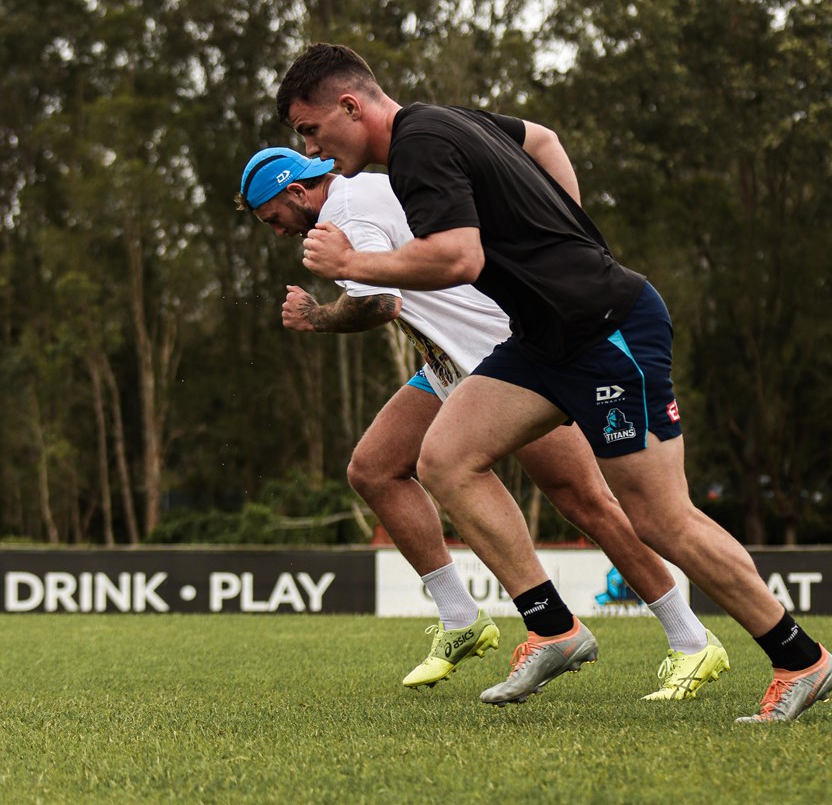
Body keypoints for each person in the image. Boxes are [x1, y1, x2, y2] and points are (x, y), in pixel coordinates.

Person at [273, 44, 832, 722]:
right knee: (445, 460)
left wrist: (353, 260)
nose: (313, 148)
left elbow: (459, 256)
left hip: (607, 331)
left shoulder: (418, 145)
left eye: (310, 130)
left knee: (659, 518)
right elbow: (543, 138)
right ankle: (554, 627)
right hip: (541, 340)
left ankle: (801, 658)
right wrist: (568, 232)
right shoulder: (447, 120)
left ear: (349, 106)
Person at [236, 146, 729, 704]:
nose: (277, 233)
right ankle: (462, 617)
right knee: (374, 469)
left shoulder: (346, 207)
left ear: (297, 192)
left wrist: (317, 317)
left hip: (503, 357)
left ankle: (689, 639)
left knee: (584, 500)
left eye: (274, 218)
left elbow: (379, 305)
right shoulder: (354, 197)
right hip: (449, 365)